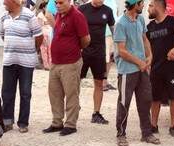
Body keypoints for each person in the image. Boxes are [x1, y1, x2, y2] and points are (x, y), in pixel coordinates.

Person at [113, 0, 159, 146]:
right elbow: (122, 51)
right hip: (127, 70)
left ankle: (146, 134)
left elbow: (145, 39)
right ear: (135, 4)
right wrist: (139, 62)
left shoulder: (140, 19)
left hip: (142, 69)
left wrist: (150, 55)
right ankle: (121, 134)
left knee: (145, 100)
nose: (144, 5)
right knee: (124, 102)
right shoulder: (121, 23)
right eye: (141, 3)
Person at [42, 0, 90, 136]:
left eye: (61, 2)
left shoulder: (77, 16)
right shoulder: (58, 15)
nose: (57, 5)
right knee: (55, 93)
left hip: (70, 62)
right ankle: (57, 122)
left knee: (71, 94)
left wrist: (74, 48)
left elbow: (86, 39)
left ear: (69, 2)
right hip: (56, 62)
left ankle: (70, 124)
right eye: (56, 2)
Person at [146, 0, 174, 138]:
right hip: (155, 67)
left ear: (158, 7)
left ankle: (173, 126)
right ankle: (153, 126)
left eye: (151, 6)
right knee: (155, 97)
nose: (148, 9)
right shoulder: (149, 27)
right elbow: (146, 47)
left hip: (172, 67)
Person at [0, 0, 43, 134]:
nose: (3, 3)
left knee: (25, 93)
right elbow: (2, 35)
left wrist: (31, 50)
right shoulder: (4, 18)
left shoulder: (30, 16)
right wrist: (13, 46)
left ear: (14, 2)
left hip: (26, 62)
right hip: (9, 61)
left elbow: (39, 37)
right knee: (7, 93)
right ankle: (7, 121)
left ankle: (23, 123)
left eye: (5, 1)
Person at [79, 0, 115, 125]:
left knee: (99, 82)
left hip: (99, 52)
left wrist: (115, 48)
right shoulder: (82, 9)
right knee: (76, 80)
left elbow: (113, 30)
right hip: (83, 51)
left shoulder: (107, 11)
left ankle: (96, 113)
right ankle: (74, 107)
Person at [102, 0, 117, 91]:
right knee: (106, 58)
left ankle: (105, 80)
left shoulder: (113, 2)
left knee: (111, 57)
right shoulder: (103, 2)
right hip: (105, 33)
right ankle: (102, 82)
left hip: (113, 33)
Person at [36, 1, 52, 70]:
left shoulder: (49, 14)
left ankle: (50, 64)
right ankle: (46, 65)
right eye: (46, 7)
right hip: (43, 33)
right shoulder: (40, 15)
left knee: (49, 49)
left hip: (49, 33)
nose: (48, 8)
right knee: (44, 50)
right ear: (43, 8)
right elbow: (39, 25)